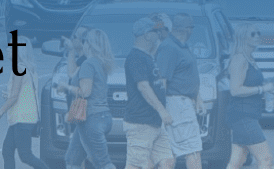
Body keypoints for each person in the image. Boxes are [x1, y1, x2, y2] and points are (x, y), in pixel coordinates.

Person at [60, 27, 115, 169]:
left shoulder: (88, 64)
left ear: (89, 44)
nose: (82, 44)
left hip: (91, 118)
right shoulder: (101, 64)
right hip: (102, 116)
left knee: (102, 162)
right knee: (72, 158)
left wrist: (66, 87)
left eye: (84, 41)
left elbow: (85, 92)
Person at [121, 19, 171, 169]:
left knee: (167, 161)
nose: (159, 35)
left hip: (154, 122)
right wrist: (162, 110)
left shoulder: (147, 57)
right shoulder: (136, 57)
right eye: (156, 32)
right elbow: (143, 86)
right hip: (140, 122)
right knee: (136, 164)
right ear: (147, 35)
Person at [157, 13, 204, 169]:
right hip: (177, 104)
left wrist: (197, 97)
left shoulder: (182, 46)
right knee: (192, 150)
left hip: (184, 103)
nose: (192, 31)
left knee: (171, 152)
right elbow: (162, 81)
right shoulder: (169, 47)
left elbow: (188, 74)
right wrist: (162, 110)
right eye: (191, 27)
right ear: (186, 29)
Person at [0, 48, 49, 169]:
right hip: (24, 118)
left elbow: (14, 97)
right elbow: (24, 92)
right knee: (7, 150)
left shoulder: (19, 69)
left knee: (25, 155)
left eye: (10, 48)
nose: (7, 50)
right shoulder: (30, 69)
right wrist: (9, 94)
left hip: (22, 118)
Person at [225, 24, 274, 169]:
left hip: (248, 114)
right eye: (253, 34)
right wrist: (261, 89)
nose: (257, 36)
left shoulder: (250, 58)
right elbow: (235, 90)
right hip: (242, 116)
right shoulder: (239, 59)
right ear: (242, 37)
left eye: (258, 33)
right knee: (265, 158)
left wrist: (265, 89)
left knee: (237, 161)